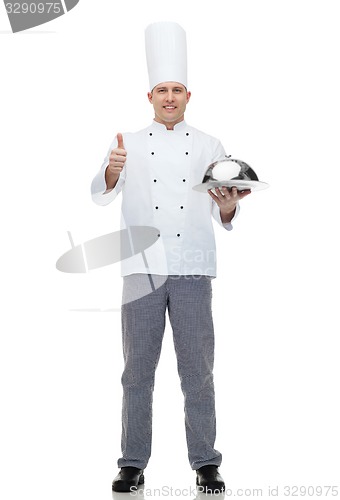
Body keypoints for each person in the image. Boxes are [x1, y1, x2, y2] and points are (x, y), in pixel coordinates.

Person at [91, 22, 250, 494]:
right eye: (162, 89)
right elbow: (100, 193)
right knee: (137, 370)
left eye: (176, 90)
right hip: (140, 267)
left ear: (187, 95)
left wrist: (228, 205)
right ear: (150, 95)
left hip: (193, 267)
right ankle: (132, 462)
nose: (169, 97)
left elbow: (225, 203)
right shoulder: (127, 142)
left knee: (197, 370)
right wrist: (109, 172)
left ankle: (205, 461)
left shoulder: (209, 144)